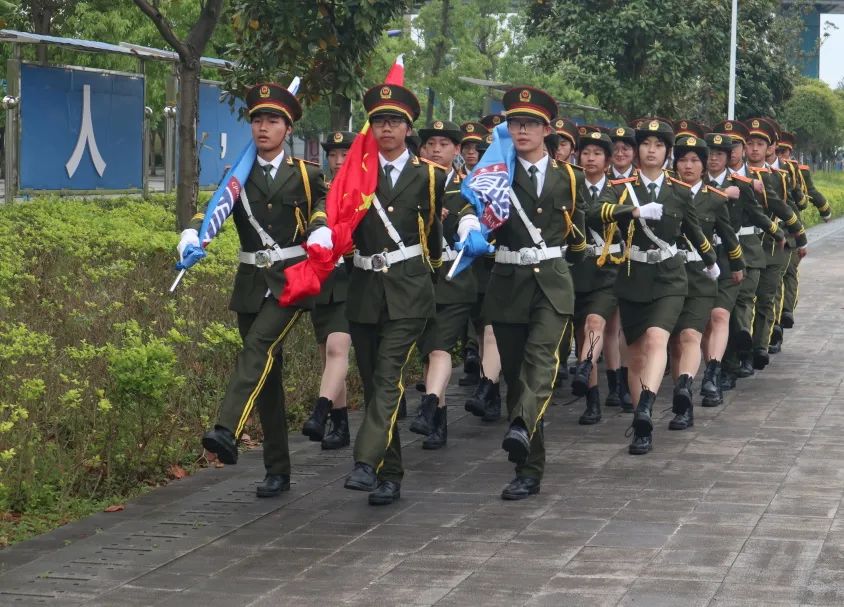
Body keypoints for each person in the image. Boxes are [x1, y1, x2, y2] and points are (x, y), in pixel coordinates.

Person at [182, 82, 328, 497]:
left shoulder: (305, 172)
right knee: (266, 377)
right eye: (258, 120)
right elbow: (209, 210)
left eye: (273, 120)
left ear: (288, 127)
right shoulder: (237, 175)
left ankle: (226, 428)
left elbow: (325, 204)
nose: (263, 128)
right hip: (250, 283)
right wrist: (191, 234)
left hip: (291, 281)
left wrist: (319, 229)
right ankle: (278, 469)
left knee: (257, 349)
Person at [342, 82, 453, 506]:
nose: (386, 128)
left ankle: (365, 461)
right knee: (374, 385)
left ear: (409, 128)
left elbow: (437, 232)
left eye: (394, 121)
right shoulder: (356, 174)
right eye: (378, 121)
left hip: (408, 288)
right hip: (365, 288)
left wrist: (436, 277)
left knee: (388, 374)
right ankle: (391, 474)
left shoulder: (431, 176)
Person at [484, 86, 588, 499]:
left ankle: (521, 427)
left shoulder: (570, 177)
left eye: (529, 123)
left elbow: (576, 230)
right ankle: (528, 466)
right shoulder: (497, 173)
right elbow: (470, 206)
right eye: (514, 123)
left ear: (547, 129)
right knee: (515, 378)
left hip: (551, 284)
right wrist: (467, 224)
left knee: (541, 364)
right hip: (508, 283)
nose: (521, 130)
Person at [592, 119, 717, 455]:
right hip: (632, 276)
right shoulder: (620, 187)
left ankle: (647, 403)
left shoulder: (677, 189)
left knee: (657, 338)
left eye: (658, 145)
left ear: (667, 152)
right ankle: (641, 425)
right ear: (636, 151)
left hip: (669, 275)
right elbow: (593, 212)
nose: (651, 150)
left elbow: (692, 228)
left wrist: (710, 260)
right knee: (634, 356)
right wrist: (631, 211)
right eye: (645, 144)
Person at [699, 131, 784, 406]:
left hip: (730, 257)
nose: (713, 159)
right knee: (706, 320)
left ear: (728, 158)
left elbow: (757, 213)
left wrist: (777, 232)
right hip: (699, 258)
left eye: (720, 154)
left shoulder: (742, 184)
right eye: (709, 154)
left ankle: (726, 368)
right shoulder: (694, 184)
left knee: (727, 312)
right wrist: (723, 195)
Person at [410, 120, 479, 449]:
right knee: (428, 353)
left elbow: (471, 219)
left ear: (456, 151)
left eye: (444, 144)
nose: (436, 149)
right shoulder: (411, 184)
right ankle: (438, 419)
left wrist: (462, 224)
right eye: (431, 144)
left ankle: (428, 406)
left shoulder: (467, 187)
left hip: (454, 279)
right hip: (418, 281)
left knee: (439, 349)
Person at [668, 135, 744, 430]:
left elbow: (728, 234)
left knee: (698, 330)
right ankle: (681, 396)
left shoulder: (714, 197)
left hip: (705, 272)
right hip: (671, 274)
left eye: (694, 161)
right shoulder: (667, 193)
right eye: (682, 160)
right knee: (676, 341)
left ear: (702, 167)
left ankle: (709, 376)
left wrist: (736, 265)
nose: (688, 166)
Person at [300, 131, 356, 450]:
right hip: (323, 282)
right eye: (333, 155)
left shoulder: (367, 190)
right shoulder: (320, 191)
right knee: (328, 357)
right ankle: (341, 422)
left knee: (337, 349)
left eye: (344, 154)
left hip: (353, 280)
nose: (337, 161)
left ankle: (320, 413)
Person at [743, 118, 807, 370]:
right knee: (746, 301)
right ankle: (743, 353)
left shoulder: (778, 177)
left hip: (771, 245)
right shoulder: (737, 176)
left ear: (769, 147)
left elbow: (784, 207)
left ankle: (760, 345)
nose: (755, 149)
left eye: (760, 144)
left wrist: (797, 235)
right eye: (750, 144)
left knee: (767, 297)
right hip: (746, 245)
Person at [569, 128, 622, 425]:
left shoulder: (618, 190)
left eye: (597, 153)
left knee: (596, 323)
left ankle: (587, 365)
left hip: (608, 269)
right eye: (586, 152)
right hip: (576, 271)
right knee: (582, 333)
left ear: (608, 160)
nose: (590, 158)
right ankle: (592, 400)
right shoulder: (570, 187)